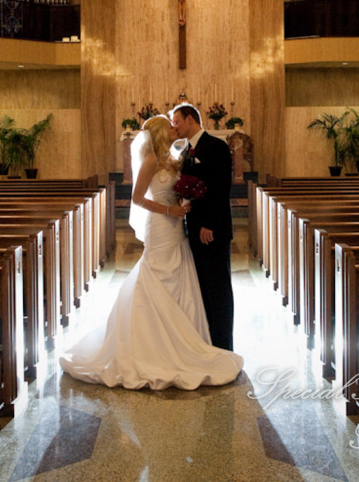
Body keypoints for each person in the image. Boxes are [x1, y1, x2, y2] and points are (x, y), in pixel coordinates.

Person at [60, 115, 242, 389]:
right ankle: (153, 343)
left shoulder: (172, 157)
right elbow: (137, 198)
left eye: (176, 123)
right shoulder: (151, 160)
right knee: (157, 273)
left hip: (177, 226)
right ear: (158, 133)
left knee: (179, 273)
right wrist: (170, 209)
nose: (174, 128)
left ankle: (182, 339)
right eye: (169, 126)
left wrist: (181, 201)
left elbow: (185, 186)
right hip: (161, 225)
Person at [170, 102, 235, 351]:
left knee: (218, 285)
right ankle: (208, 341)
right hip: (194, 227)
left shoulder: (216, 146)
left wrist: (208, 223)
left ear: (190, 119)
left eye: (176, 121)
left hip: (212, 229)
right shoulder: (186, 150)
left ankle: (223, 344)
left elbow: (220, 188)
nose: (174, 126)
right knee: (203, 286)